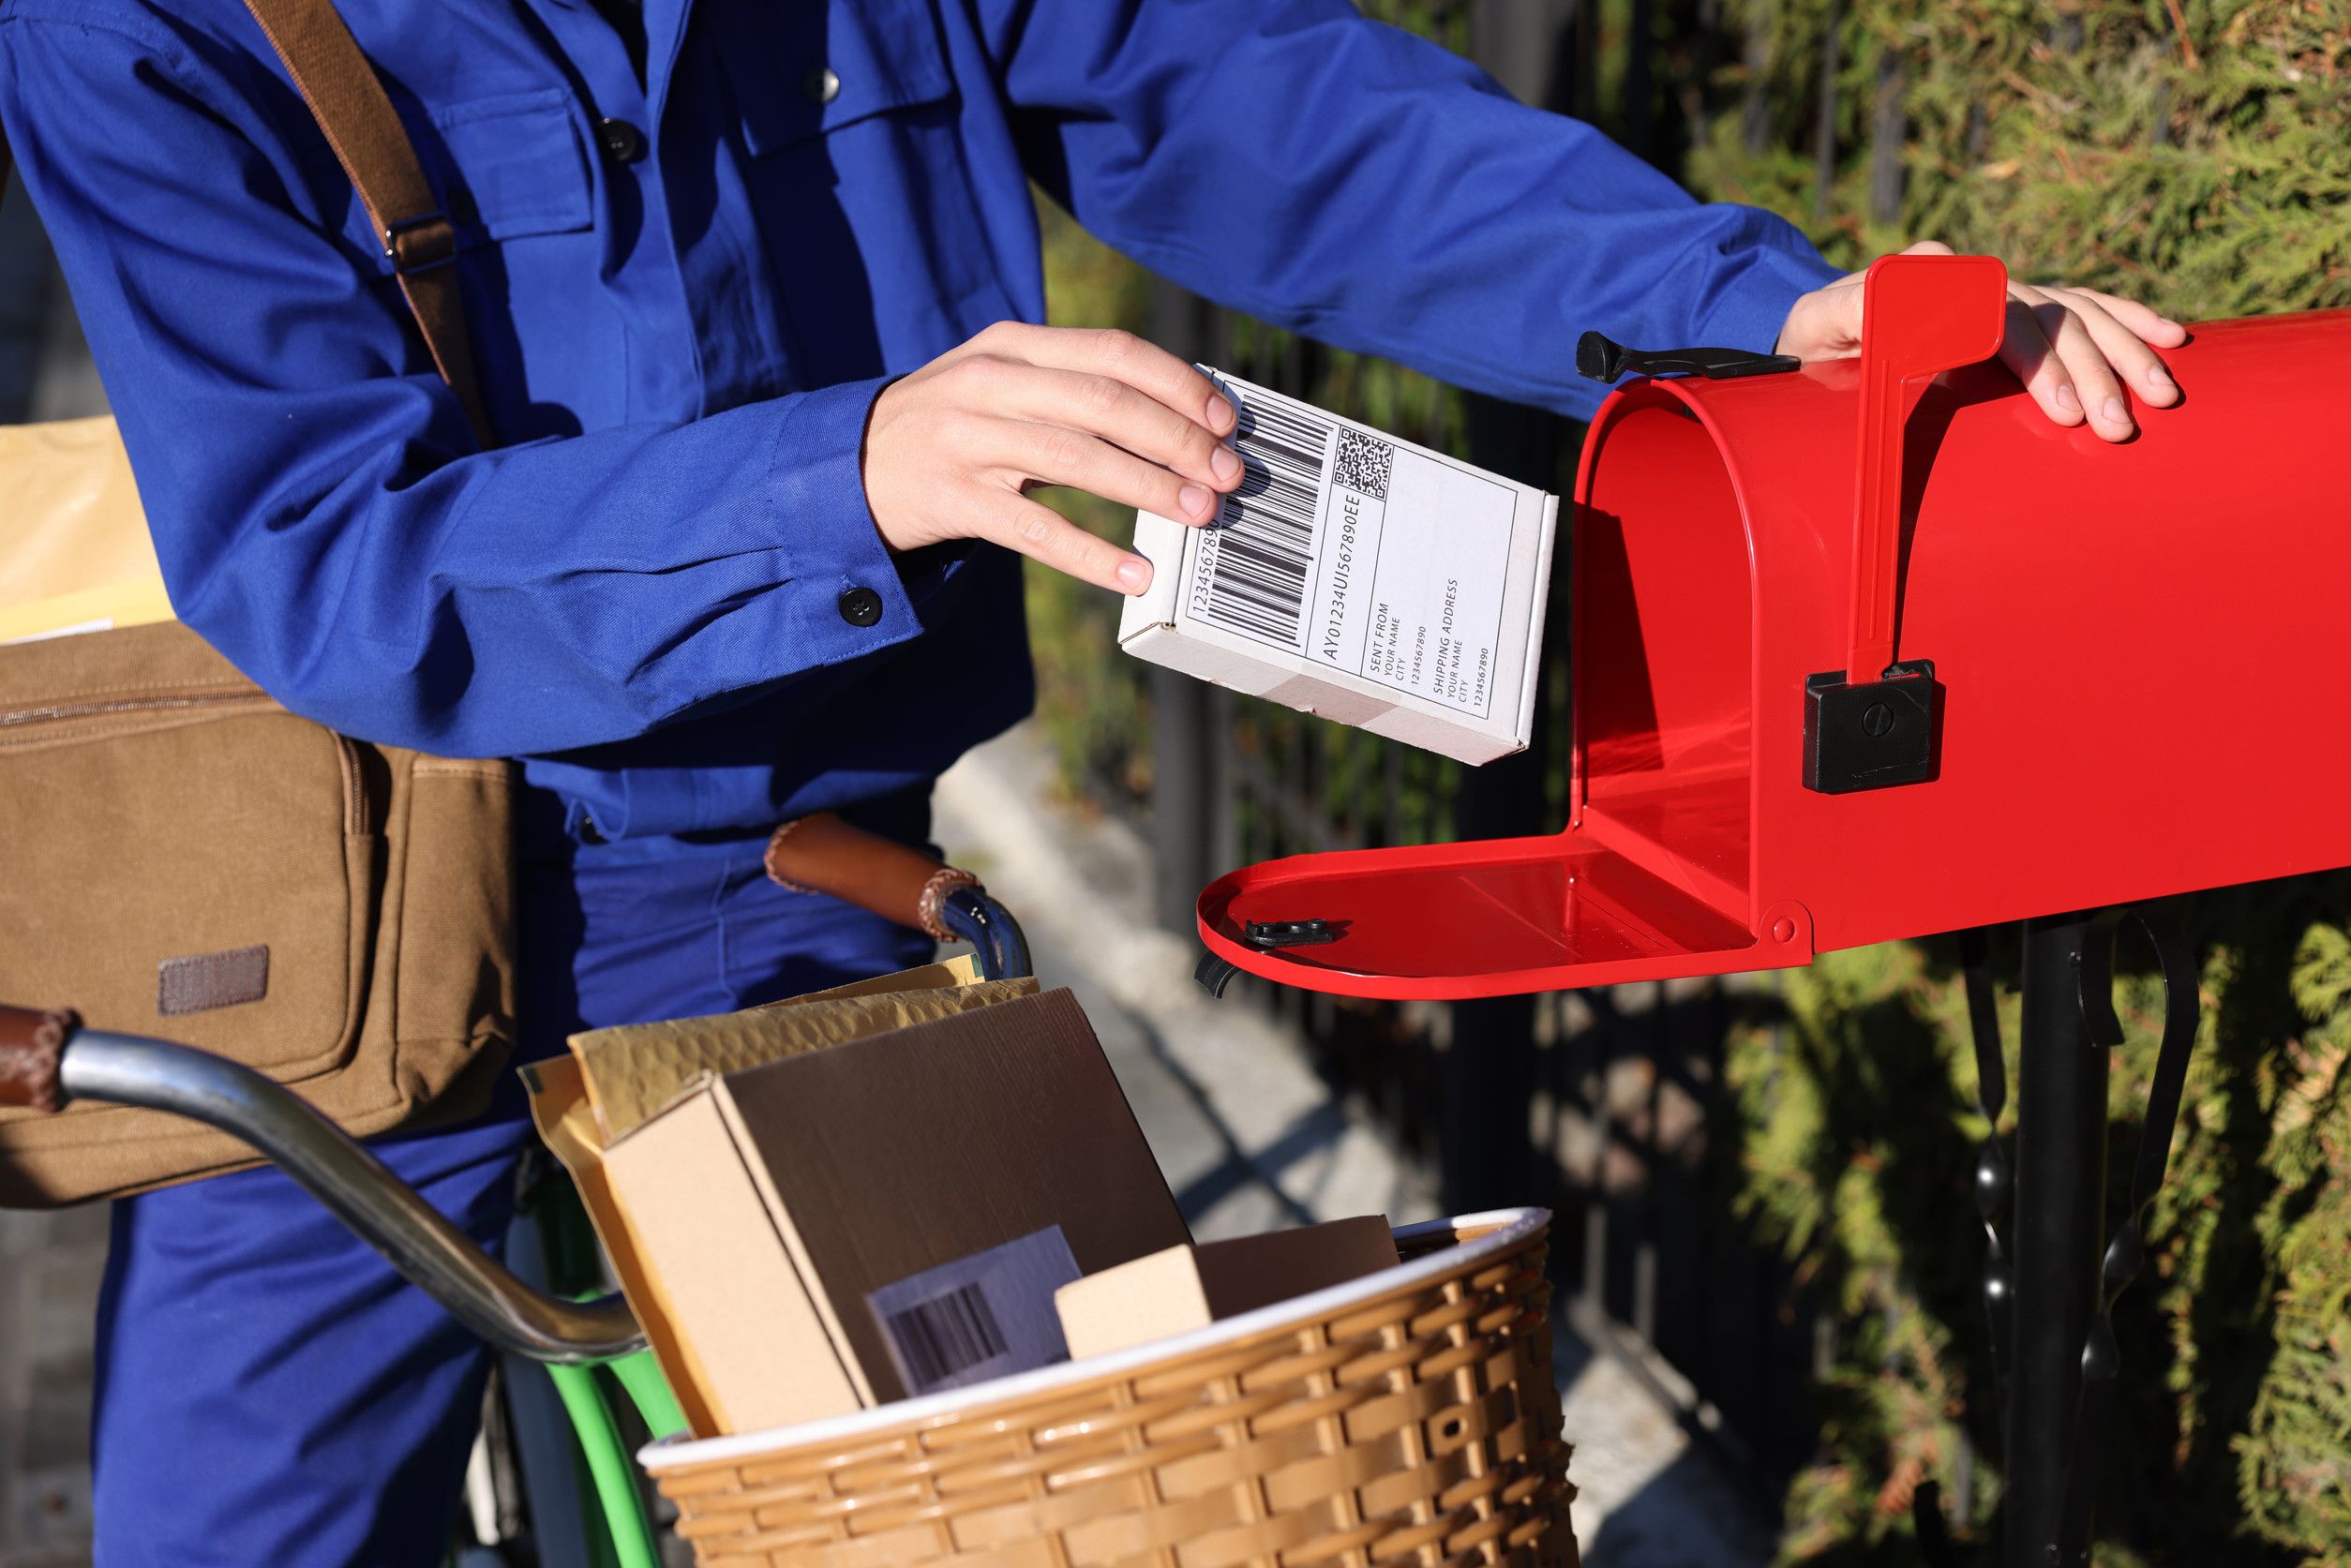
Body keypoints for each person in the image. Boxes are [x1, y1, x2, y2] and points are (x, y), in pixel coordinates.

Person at [0, 0, 2183, 1561]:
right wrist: (845, 464)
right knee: (236, 1525)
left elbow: (1247, 93)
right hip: (355, 934)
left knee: (1019, 1523)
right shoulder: (127, 24)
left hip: (803, 873)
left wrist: (1754, 300)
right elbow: (319, 541)